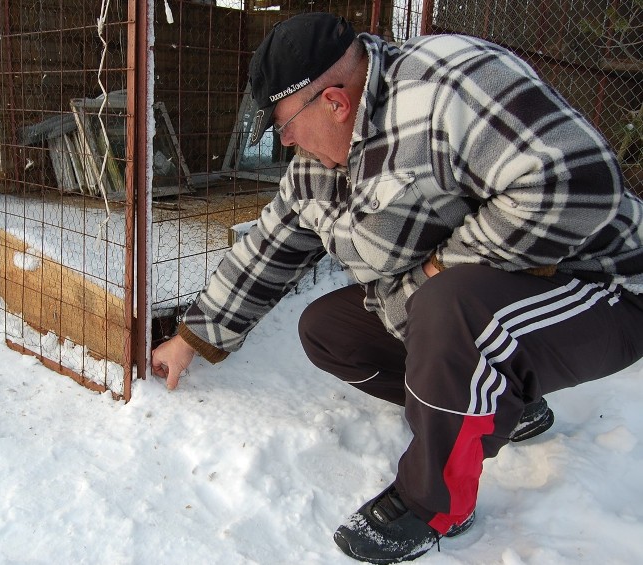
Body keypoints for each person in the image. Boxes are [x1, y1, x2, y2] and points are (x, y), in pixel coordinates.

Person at [151, 12, 643, 563]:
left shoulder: (448, 86)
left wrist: (439, 270)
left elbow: (581, 181)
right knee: (328, 330)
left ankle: (433, 503)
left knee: (445, 302)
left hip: (600, 283)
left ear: (334, 102)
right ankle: (502, 404)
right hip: (487, 300)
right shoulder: (320, 161)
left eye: (284, 125)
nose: (284, 141)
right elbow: (272, 245)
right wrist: (192, 336)